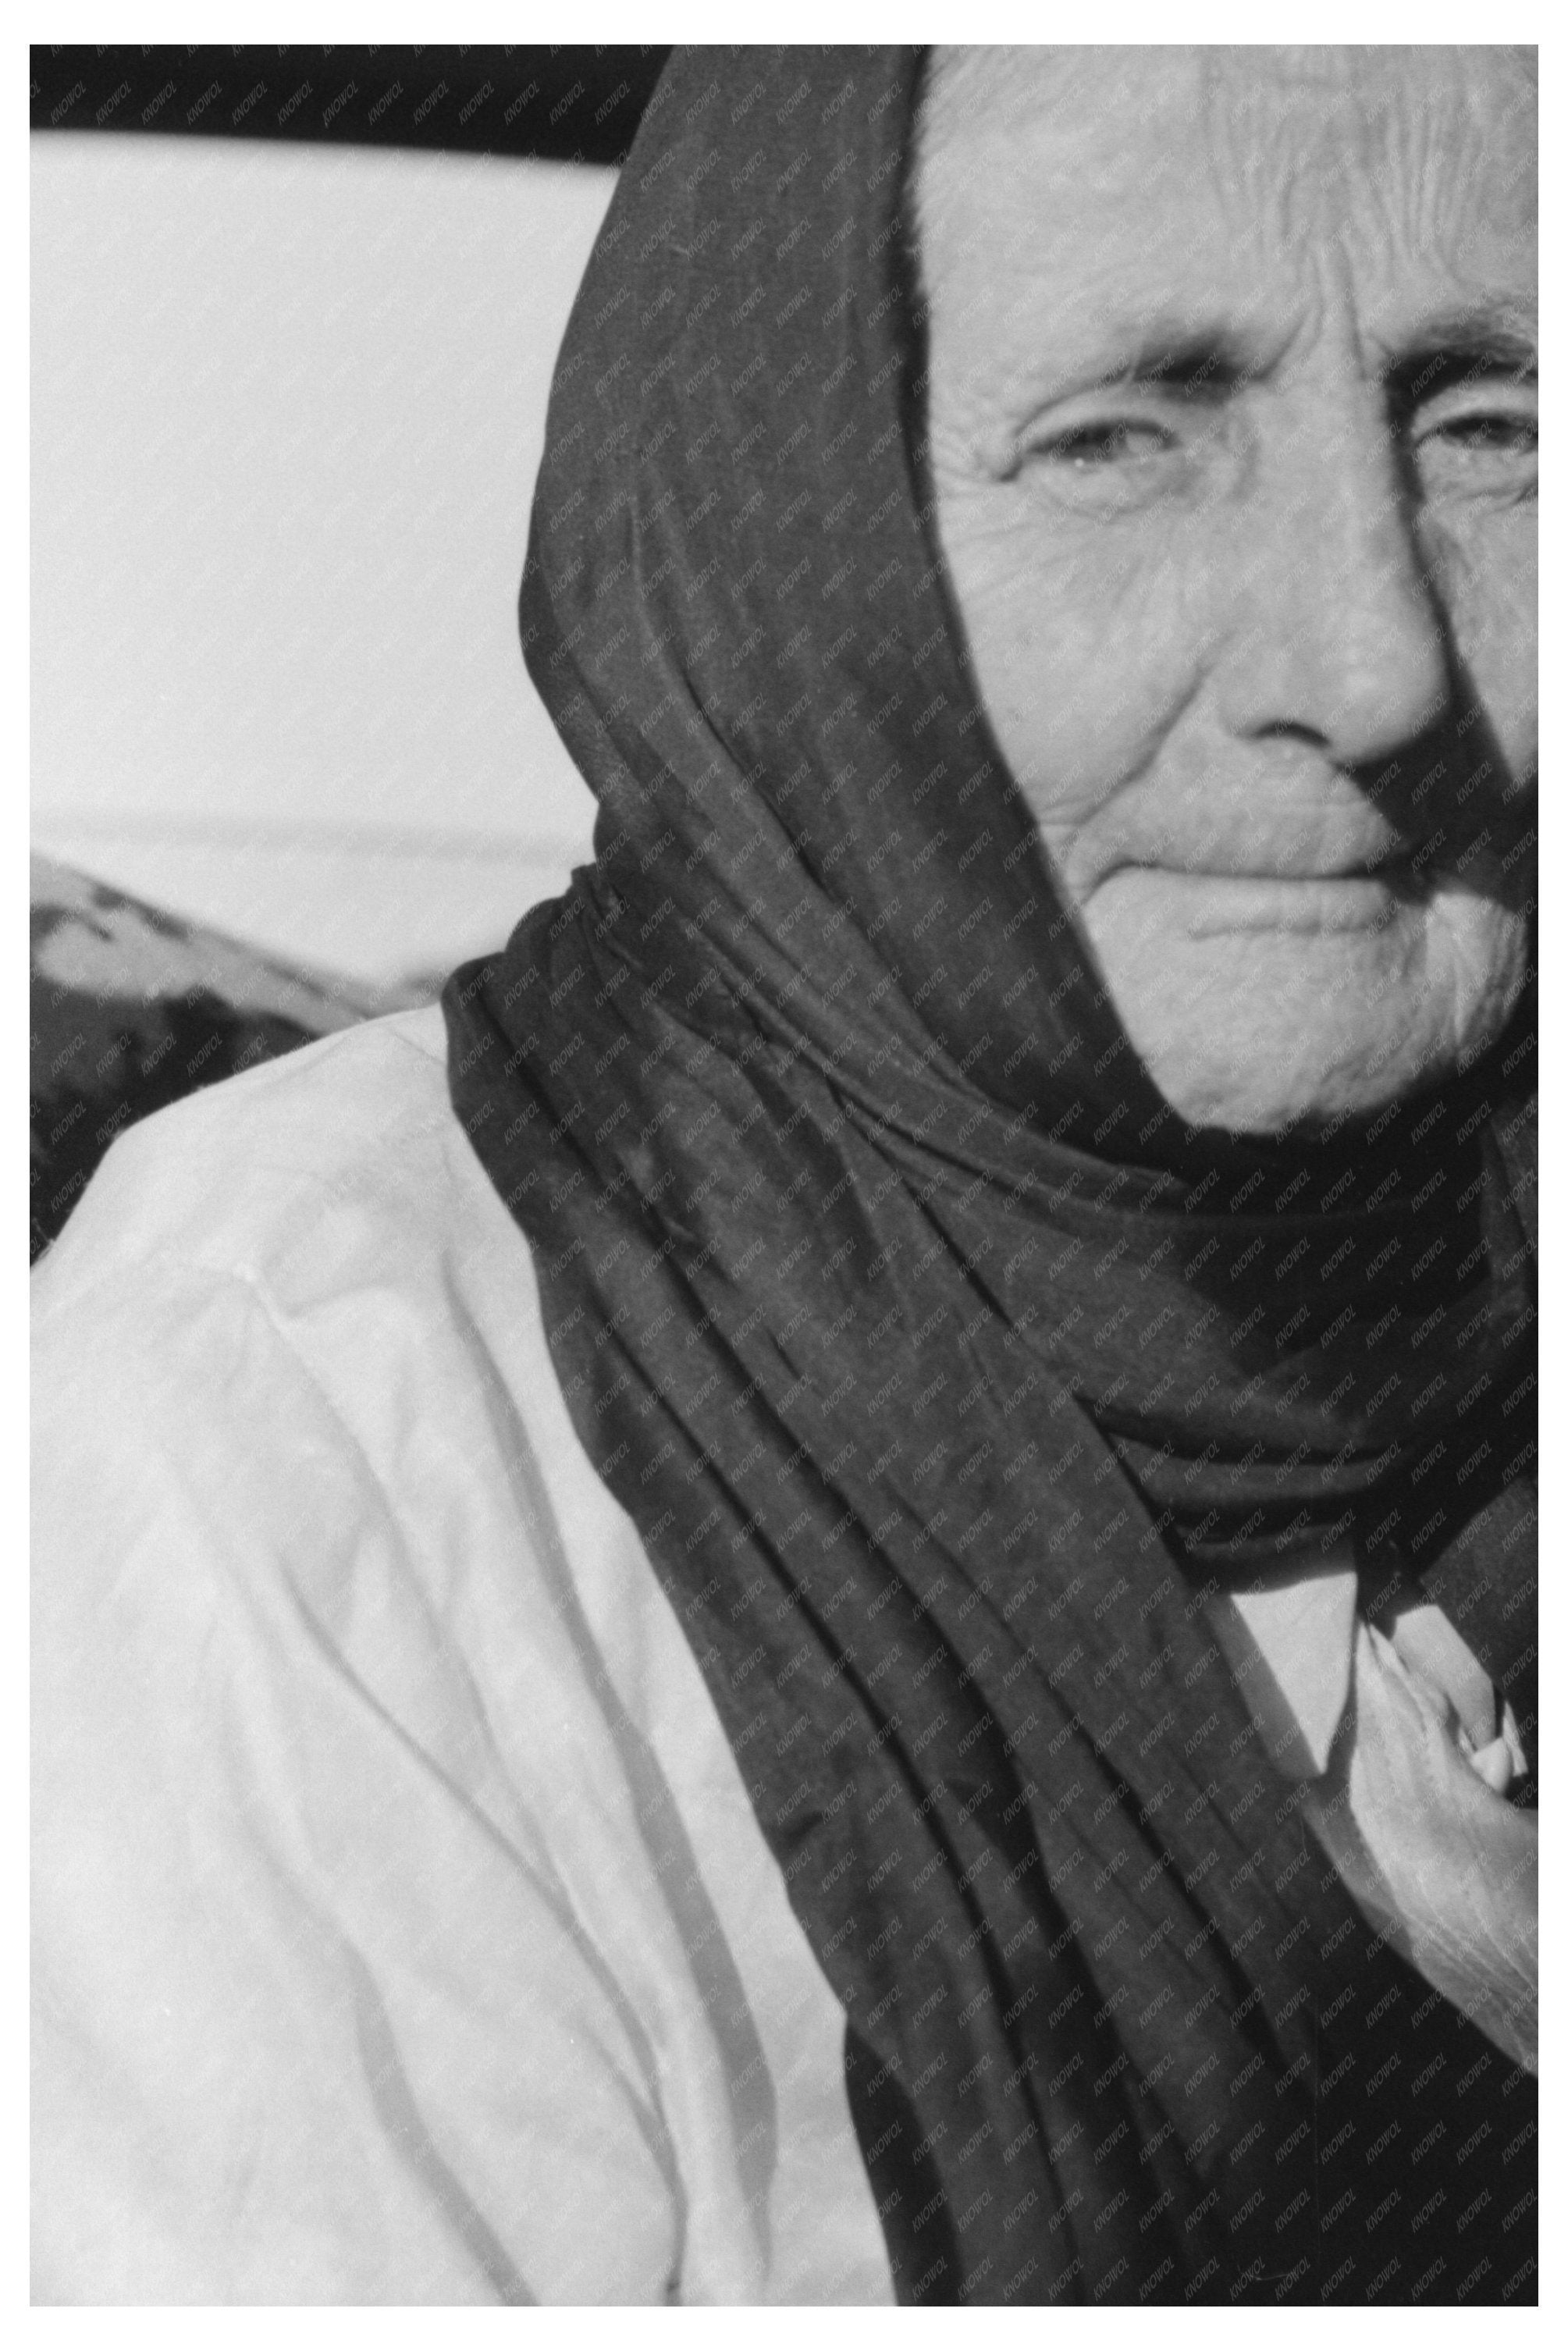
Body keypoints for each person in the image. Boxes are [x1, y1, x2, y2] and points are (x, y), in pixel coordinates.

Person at [32, 44, 1537, 2305]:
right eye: (1122, 436)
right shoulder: (307, 1444)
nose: (1371, 660)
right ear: (782, 526)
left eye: (1489, 424)